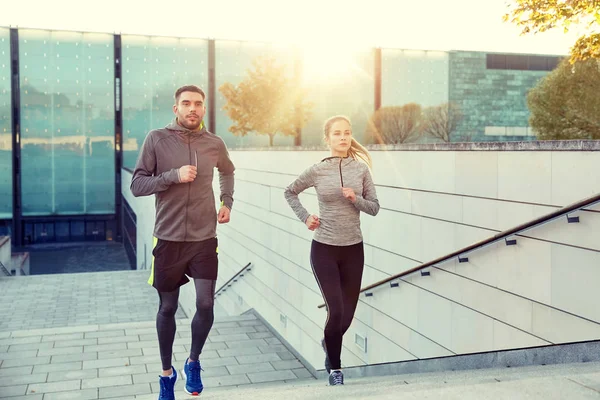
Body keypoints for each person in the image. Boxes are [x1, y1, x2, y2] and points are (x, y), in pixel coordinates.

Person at [130, 85, 235, 399]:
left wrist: (227, 201)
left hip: (204, 237)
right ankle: (166, 374)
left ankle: (193, 361)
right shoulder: (156, 139)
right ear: (175, 108)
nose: (193, 109)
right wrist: (172, 176)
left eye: (198, 104)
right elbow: (137, 184)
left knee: (205, 304)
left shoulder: (214, 143)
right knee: (168, 307)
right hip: (169, 238)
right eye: (186, 103)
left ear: (204, 109)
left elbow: (227, 171)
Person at [284, 115, 379, 386]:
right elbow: (290, 192)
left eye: (347, 133)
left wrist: (355, 198)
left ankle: (329, 343)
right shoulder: (316, 170)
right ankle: (335, 370)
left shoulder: (360, 170)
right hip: (324, 248)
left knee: (347, 315)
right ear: (328, 138)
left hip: (353, 250)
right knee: (335, 311)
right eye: (337, 133)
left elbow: (374, 207)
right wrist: (305, 217)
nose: (343, 137)